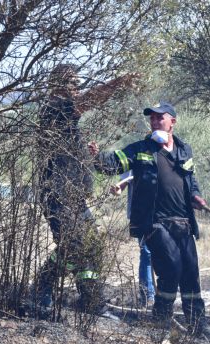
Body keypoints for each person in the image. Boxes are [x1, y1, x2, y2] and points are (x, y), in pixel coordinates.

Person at [90, 101, 208, 334]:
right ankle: (161, 321)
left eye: (159, 117)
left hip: (184, 222)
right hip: (154, 222)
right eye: (151, 118)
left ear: (172, 121)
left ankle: (197, 326)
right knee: (171, 267)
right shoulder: (141, 149)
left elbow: (191, 182)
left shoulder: (185, 150)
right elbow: (114, 163)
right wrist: (96, 158)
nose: (154, 121)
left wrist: (196, 196)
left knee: (191, 274)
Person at [34, 64, 136, 318]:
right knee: (72, 246)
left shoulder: (65, 120)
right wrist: (117, 83)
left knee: (88, 247)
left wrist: (86, 152)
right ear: (57, 85)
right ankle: (41, 292)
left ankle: (91, 302)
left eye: (77, 83)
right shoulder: (55, 109)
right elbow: (89, 100)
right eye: (72, 83)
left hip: (74, 198)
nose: (76, 89)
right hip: (58, 196)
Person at [111, 172, 155, 307]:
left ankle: (162, 295)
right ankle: (148, 296)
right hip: (140, 215)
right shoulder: (134, 153)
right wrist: (117, 189)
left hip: (162, 212)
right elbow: (122, 185)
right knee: (147, 253)